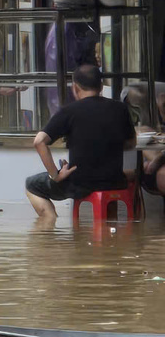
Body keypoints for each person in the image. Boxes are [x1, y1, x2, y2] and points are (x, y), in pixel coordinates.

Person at [26, 62, 136, 220]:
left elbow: (39, 141)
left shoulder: (69, 111)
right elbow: (131, 143)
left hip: (80, 184)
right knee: (133, 175)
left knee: (31, 185)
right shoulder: (120, 109)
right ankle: (111, 230)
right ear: (100, 87)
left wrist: (55, 176)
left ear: (75, 88)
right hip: (115, 180)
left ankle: (48, 228)